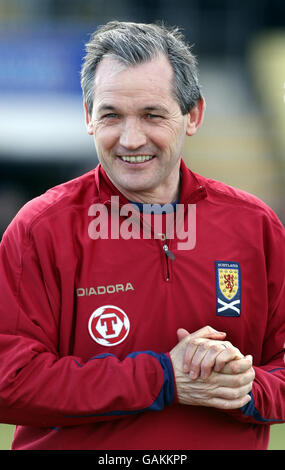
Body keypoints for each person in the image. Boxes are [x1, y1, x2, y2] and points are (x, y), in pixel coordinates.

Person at [0, 21, 284, 451]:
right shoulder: (40, 228)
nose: (131, 140)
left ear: (193, 116)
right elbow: (10, 380)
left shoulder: (255, 225)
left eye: (152, 115)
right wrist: (164, 378)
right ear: (88, 118)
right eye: (111, 115)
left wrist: (244, 387)